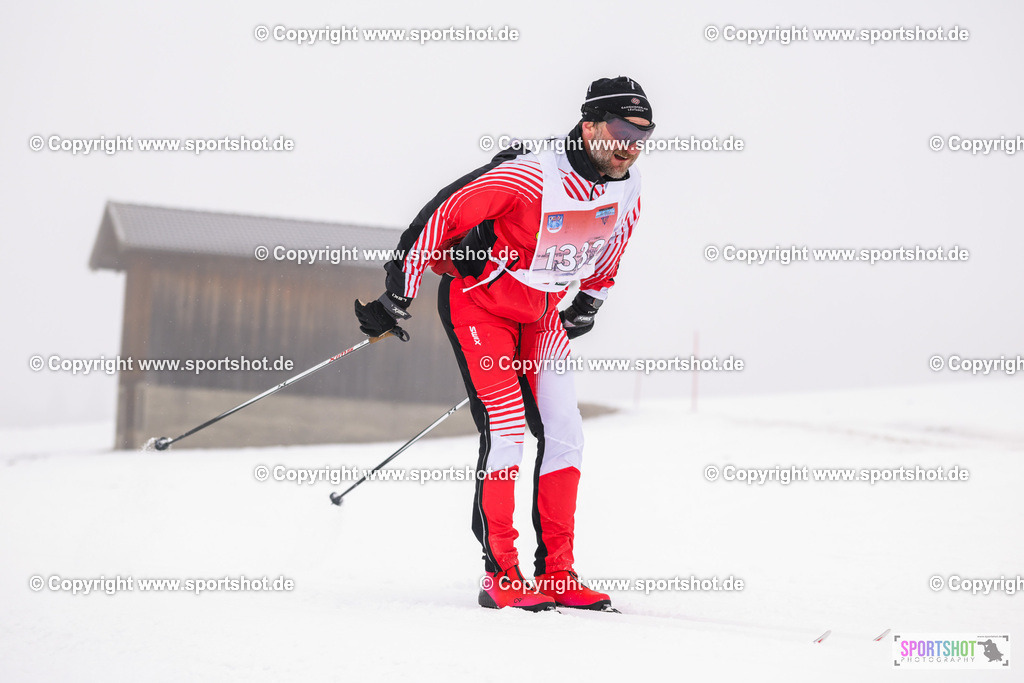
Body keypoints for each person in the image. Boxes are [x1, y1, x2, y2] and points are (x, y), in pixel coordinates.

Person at [355, 76, 653, 612]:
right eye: (619, 130)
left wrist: (588, 302)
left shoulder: (626, 188)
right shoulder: (530, 174)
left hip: (540, 318)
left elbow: (611, 248)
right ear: (589, 126)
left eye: (643, 134)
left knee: (566, 432)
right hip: (481, 305)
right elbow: (444, 214)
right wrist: (398, 291)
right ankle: (502, 573)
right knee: (509, 430)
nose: (630, 144)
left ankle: (558, 574)